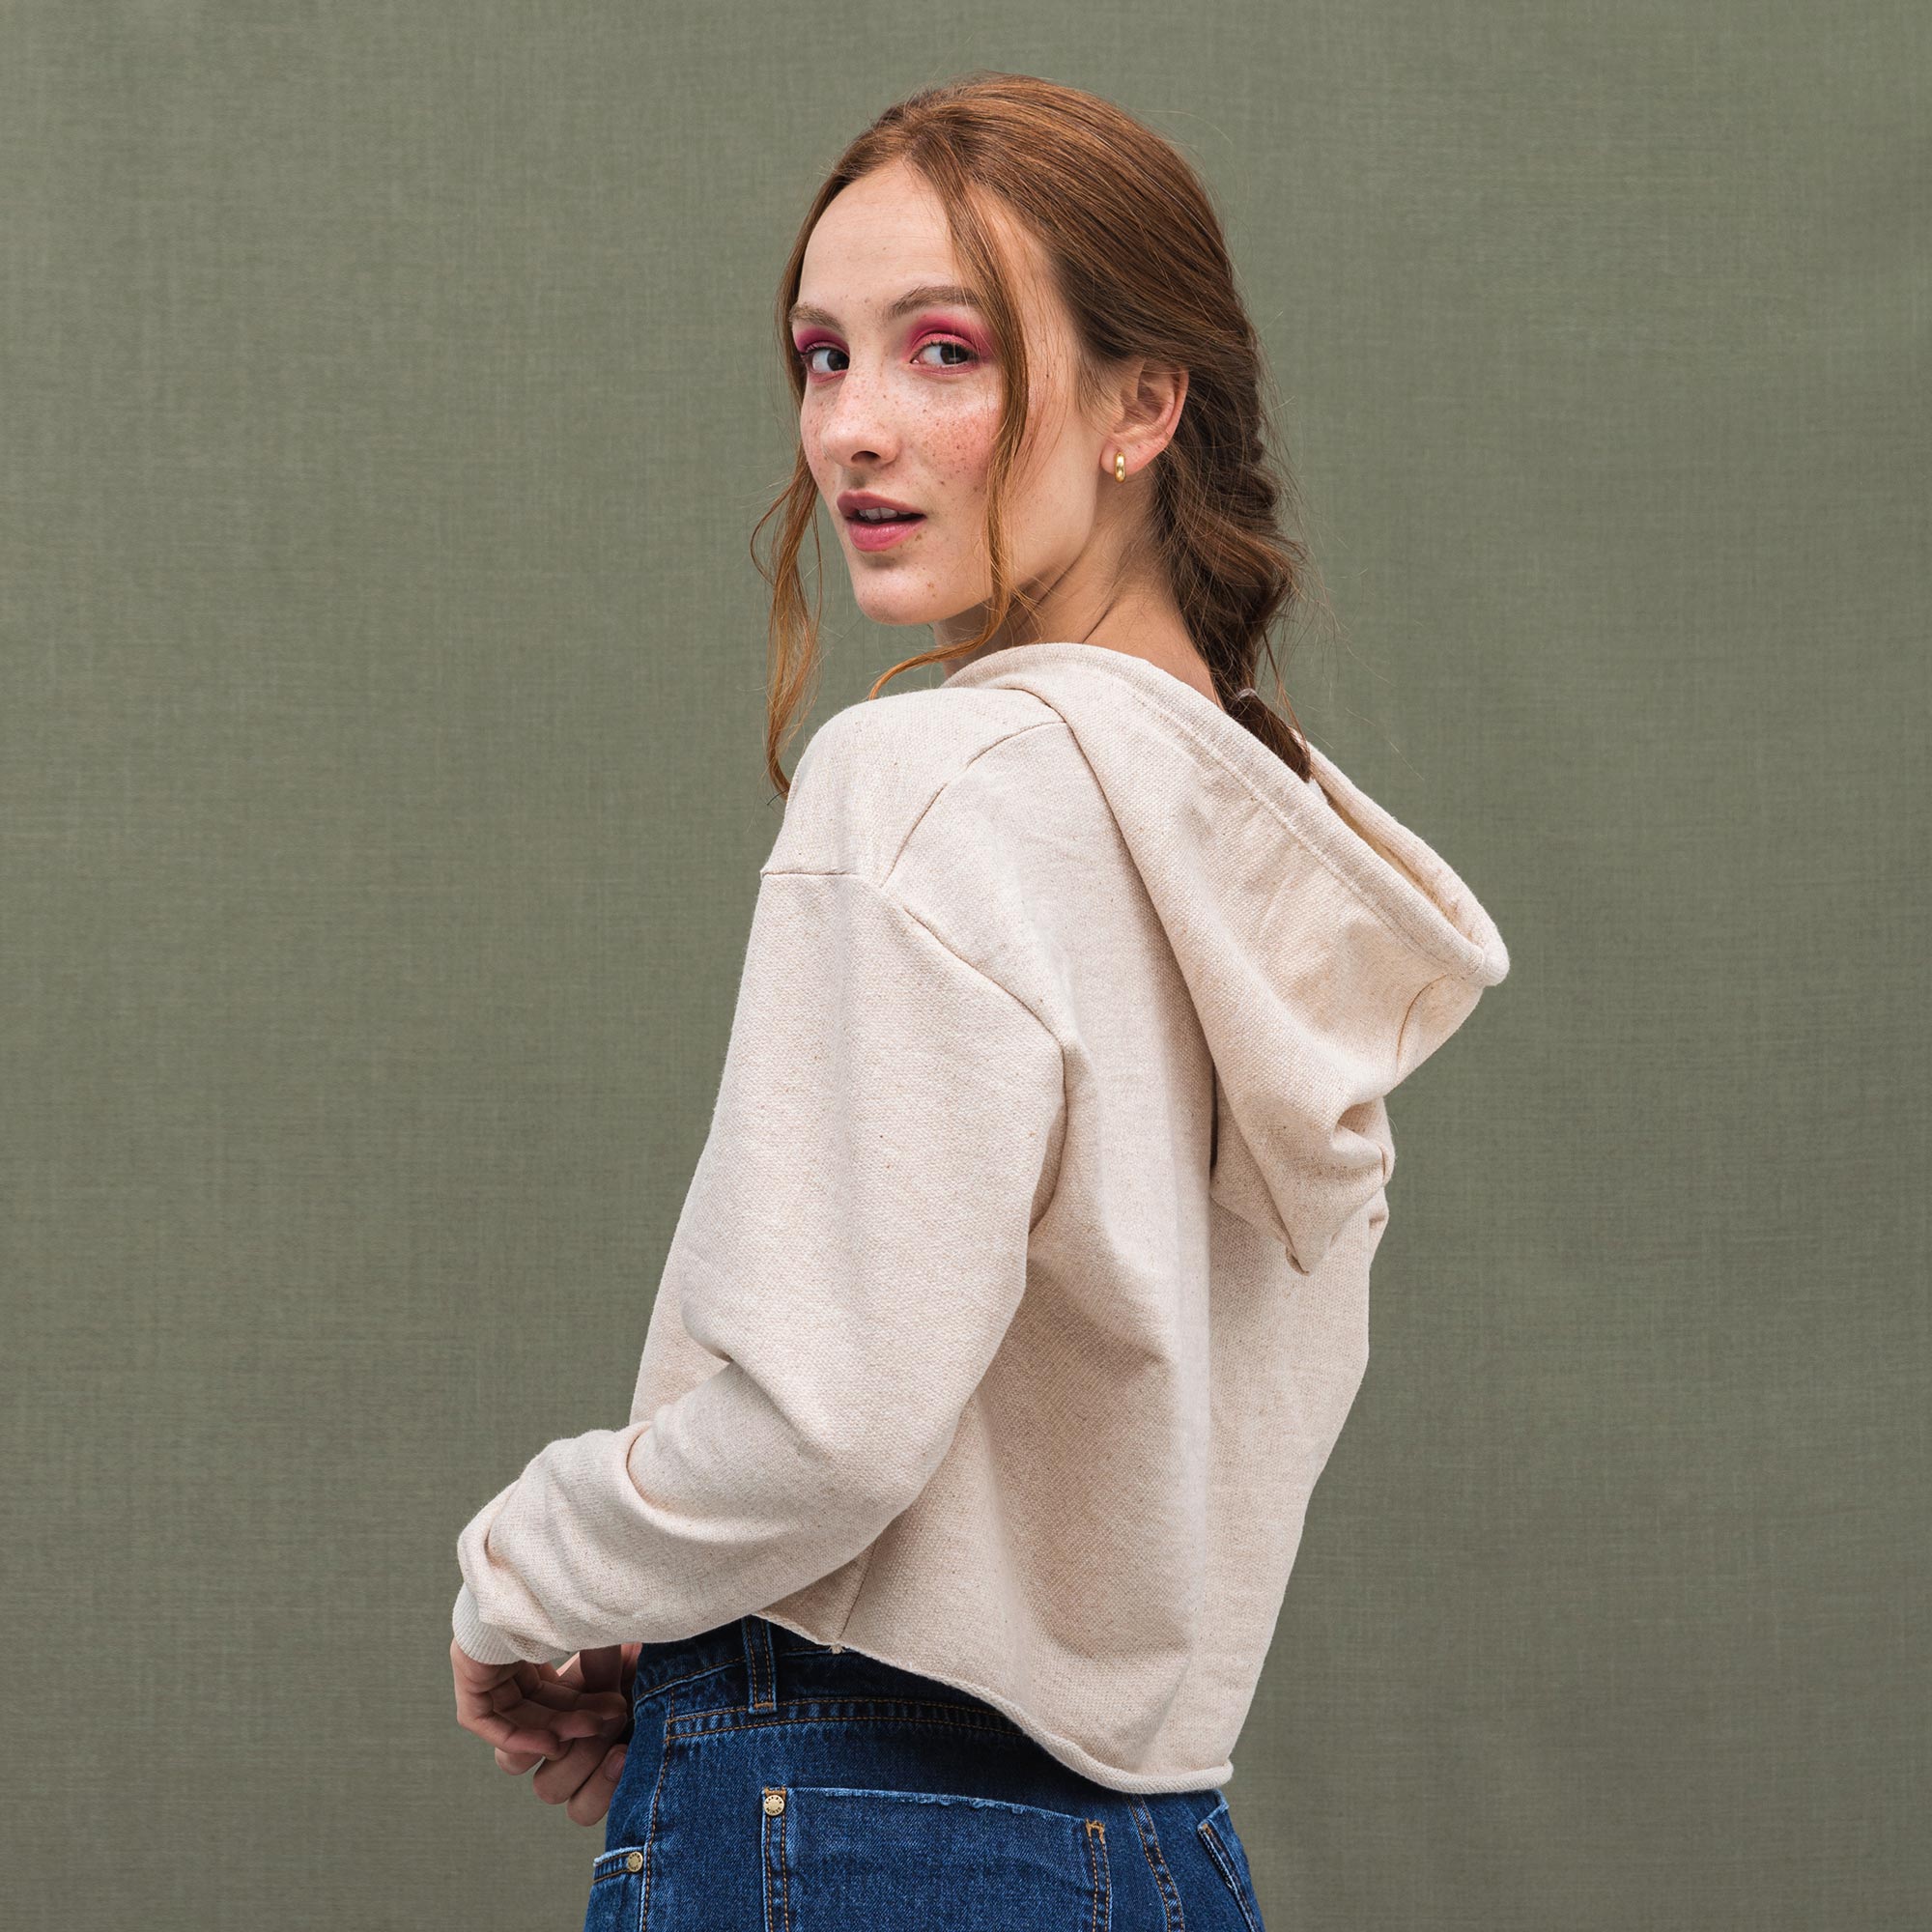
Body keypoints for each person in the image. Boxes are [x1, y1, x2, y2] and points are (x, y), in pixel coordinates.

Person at [449, 71, 1509, 1931]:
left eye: (946, 351)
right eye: (823, 356)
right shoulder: (1267, 888)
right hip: (1160, 1847)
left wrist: (529, 1571)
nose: (852, 428)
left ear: (1142, 406)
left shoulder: (930, 783)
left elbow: (829, 1428)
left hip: (833, 1825)